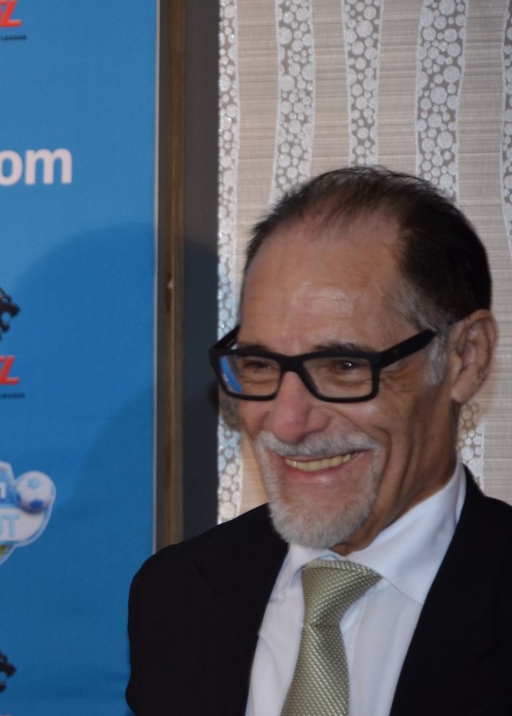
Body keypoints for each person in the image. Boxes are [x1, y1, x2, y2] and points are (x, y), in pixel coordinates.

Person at [127, 166, 512, 715]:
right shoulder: (177, 595)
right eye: (260, 364)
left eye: (344, 366)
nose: (287, 423)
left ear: (465, 358)